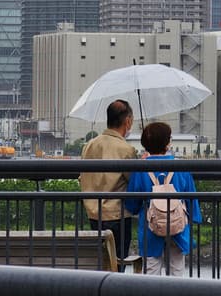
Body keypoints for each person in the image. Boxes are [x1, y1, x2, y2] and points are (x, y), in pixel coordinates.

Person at [125, 122, 202, 276]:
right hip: (178, 228)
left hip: (150, 228)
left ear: (145, 144)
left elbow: (132, 204)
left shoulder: (140, 169)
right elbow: (191, 200)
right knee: (176, 272)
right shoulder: (181, 167)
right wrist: (195, 218)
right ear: (168, 143)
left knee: (151, 273)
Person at [79, 99, 137, 270]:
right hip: (117, 215)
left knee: (100, 264)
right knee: (117, 266)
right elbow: (133, 180)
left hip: (93, 213)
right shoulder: (126, 149)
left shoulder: (89, 145)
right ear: (127, 121)